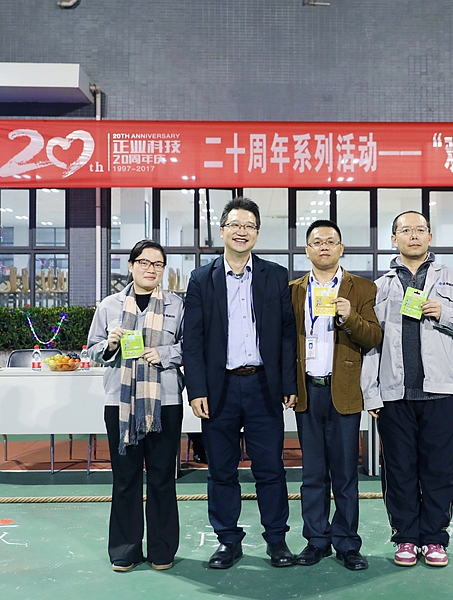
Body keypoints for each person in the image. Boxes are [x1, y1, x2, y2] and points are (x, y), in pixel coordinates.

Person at [360, 210, 453, 568]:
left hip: (441, 393)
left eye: (420, 230)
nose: (413, 235)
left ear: (429, 236)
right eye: (405, 230)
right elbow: (371, 344)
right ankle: (405, 537)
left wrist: (444, 313)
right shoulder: (379, 287)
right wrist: (371, 392)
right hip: (395, 395)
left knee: (440, 470)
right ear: (393, 239)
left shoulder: (452, 279)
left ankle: (433, 539)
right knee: (398, 471)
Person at [182, 197, 298, 569]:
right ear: (222, 231)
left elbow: (287, 334)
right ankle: (228, 541)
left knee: (271, 468)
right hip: (220, 390)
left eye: (249, 225)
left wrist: (288, 382)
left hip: (264, 386)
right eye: (235, 224)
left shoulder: (275, 275)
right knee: (221, 470)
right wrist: (197, 390)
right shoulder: (202, 278)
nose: (241, 231)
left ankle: (277, 540)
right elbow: (192, 340)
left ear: (257, 233)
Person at [289, 220, 382, 571]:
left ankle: (347, 543)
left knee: (345, 475)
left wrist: (349, 316)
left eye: (331, 241)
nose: (324, 247)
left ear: (341, 248)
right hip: (307, 392)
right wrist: (288, 386)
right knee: (312, 474)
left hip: (344, 391)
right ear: (307, 250)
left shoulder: (363, 288)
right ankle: (316, 540)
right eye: (317, 242)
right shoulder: (293, 290)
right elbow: (285, 342)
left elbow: (373, 337)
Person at [87, 240, 185, 572]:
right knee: (126, 478)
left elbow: (190, 346)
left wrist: (165, 353)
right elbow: (91, 349)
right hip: (121, 402)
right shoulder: (110, 306)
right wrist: (110, 343)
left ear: (163, 270)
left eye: (157, 264)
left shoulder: (176, 305)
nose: (150, 269)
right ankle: (125, 550)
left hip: (165, 403)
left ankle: (162, 550)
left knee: (162, 478)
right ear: (131, 266)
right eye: (143, 262)